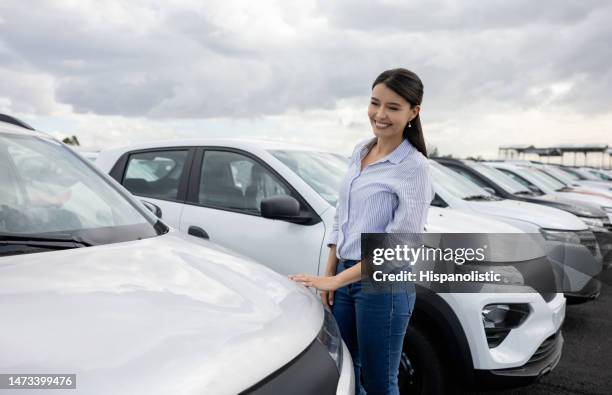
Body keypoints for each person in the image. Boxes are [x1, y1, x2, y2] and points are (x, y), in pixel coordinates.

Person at [290, 68, 434, 395]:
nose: (380, 115)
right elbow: (343, 214)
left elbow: (399, 247)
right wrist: (331, 271)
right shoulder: (361, 150)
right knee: (346, 373)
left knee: (381, 382)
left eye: (393, 108)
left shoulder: (415, 167)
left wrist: (337, 280)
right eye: (375, 103)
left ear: (414, 112)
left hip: (383, 286)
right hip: (345, 276)